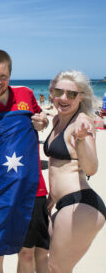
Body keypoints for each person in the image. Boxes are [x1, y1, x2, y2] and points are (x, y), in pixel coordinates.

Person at [0, 49, 49, 273]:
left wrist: (43, 121)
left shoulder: (25, 95)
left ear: (10, 74)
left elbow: (42, 118)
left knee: (27, 253)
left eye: (3, 77)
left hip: (32, 189)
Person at [44, 70, 106, 272]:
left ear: (81, 97)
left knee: (57, 267)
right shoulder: (56, 121)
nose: (64, 98)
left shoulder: (82, 122)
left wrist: (81, 139)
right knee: (47, 262)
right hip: (63, 203)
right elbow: (58, 167)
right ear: (51, 92)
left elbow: (91, 168)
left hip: (81, 204)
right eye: (59, 92)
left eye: (71, 94)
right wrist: (50, 200)